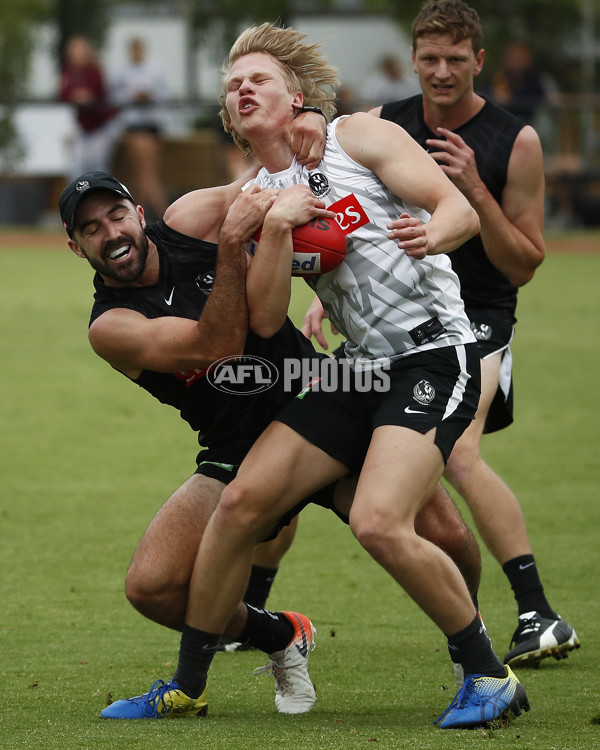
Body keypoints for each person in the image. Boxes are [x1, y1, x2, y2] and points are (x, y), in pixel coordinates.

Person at [144, 22, 531, 731]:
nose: (242, 89)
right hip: (358, 368)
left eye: (258, 78)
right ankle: (187, 687)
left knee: (382, 522)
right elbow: (264, 318)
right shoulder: (258, 197)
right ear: (229, 116)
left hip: (433, 351)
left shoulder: (357, 135)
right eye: (233, 87)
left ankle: (486, 672)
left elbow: (459, 209)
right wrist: (275, 227)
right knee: (240, 508)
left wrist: (431, 232)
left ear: (296, 94)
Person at [59, 165, 482, 719]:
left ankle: (471, 650)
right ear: (75, 246)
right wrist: (234, 244)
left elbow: (265, 179)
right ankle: (279, 635)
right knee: (151, 587)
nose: (110, 233)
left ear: (139, 215)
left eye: (116, 216)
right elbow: (217, 343)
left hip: (325, 398)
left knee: (444, 534)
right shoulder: (109, 326)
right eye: (91, 229)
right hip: (235, 447)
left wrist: (309, 133)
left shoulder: (189, 222)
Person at [364, 0, 578, 669]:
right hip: (398, 320)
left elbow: (525, 262)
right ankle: (246, 608)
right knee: (310, 427)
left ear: (479, 62)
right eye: (430, 58)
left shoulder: (515, 141)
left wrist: (475, 192)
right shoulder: (381, 126)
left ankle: (538, 612)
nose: (442, 71)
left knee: (459, 455)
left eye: (456, 59)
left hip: (479, 317)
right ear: (414, 58)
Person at [111, 37, 170, 219]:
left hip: (152, 125)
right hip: (134, 127)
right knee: (146, 173)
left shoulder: (155, 69)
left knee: (147, 173)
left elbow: (165, 94)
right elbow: (114, 98)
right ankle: (164, 214)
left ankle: (136, 215)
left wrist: (149, 95)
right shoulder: (122, 72)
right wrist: (131, 96)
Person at [59, 36, 119, 180]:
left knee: (98, 166)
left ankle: (102, 200)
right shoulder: (67, 72)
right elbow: (62, 95)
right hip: (82, 127)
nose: (77, 58)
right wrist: (76, 96)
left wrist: (86, 97)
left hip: (101, 126)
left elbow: (99, 93)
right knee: (76, 166)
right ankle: (78, 201)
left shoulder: (96, 71)